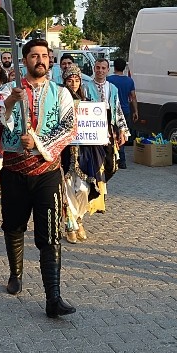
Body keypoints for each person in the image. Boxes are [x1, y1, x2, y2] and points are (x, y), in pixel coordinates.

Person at [0, 39, 77, 318]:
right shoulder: (8, 89)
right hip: (14, 171)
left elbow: (69, 127)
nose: (40, 60)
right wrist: (11, 102)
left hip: (46, 173)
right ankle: (15, 274)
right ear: (24, 60)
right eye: (34, 56)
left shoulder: (61, 93)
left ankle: (53, 297)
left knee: (50, 234)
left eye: (44, 56)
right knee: (13, 225)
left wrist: (38, 142)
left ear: (50, 60)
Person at [60, 66, 107, 243]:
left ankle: (78, 218)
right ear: (65, 82)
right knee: (67, 189)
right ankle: (70, 224)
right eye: (70, 80)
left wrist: (102, 134)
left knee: (83, 189)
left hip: (84, 153)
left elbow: (96, 123)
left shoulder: (87, 103)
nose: (73, 84)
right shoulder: (59, 102)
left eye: (77, 80)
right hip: (65, 152)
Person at [106, 58, 138, 165]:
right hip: (125, 110)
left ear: (113, 67)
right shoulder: (129, 81)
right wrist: (136, 111)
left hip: (112, 110)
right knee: (122, 134)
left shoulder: (108, 80)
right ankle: (122, 160)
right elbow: (133, 97)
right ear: (124, 68)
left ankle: (114, 158)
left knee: (112, 134)